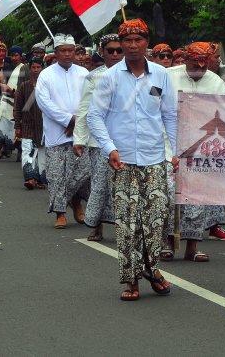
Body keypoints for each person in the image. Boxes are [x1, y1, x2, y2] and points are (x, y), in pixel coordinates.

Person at [87, 18, 177, 301]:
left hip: (154, 158)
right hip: (122, 159)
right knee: (127, 223)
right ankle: (131, 280)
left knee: (155, 219)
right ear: (121, 44)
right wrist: (109, 148)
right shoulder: (110, 78)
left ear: (147, 42)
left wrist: (175, 152)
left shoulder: (161, 75)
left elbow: (170, 115)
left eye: (139, 40)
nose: (133, 45)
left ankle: (153, 270)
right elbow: (94, 116)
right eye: (128, 40)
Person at [163, 41, 225, 264]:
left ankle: (192, 246)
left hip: (201, 147)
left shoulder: (216, 82)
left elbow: (221, 114)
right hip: (167, 146)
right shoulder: (167, 76)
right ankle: (167, 244)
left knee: (197, 198)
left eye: (204, 66)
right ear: (185, 60)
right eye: (195, 64)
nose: (200, 70)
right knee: (168, 196)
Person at [35, 34, 89, 229]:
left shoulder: (84, 73)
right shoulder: (46, 75)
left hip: (80, 133)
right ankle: (60, 213)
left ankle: (76, 203)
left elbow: (90, 101)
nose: (67, 54)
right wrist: (68, 120)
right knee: (57, 175)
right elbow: (44, 103)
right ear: (56, 53)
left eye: (70, 50)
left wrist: (78, 121)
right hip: (56, 133)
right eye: (63, 51)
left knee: (81, 172)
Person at [73, 33, 124, 241]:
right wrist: (79, 138)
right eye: (110, 50)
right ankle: (96, 226)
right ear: (101, 52)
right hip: (99, 141)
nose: (114, 54)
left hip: (128, 139)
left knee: (127, 185)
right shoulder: (94, 77)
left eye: (118, 50)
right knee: (100, 184)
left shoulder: (136, 74)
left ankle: (128, 229)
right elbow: (85, 108)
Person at [14, 57, 47, 189]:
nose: (36, 70)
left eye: (38, 67)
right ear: (29, 69)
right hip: (27, 123)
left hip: (45, 125)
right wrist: (17, 125)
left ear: (42, 69)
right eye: (33, 67)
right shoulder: (24, 86)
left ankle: (39, 178)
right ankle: (30, 178)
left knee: (41, 152)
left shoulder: (48, 85)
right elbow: (17, 106)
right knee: (28, 150)